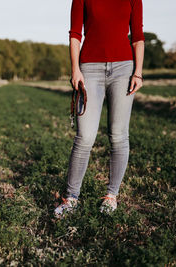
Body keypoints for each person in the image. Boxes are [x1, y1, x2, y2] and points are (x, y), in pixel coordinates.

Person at [54, 0, 145, 217]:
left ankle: (111, 195)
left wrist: (138, 72)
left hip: (124, 69)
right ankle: (71, 198)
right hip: (89, 69)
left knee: (118, 135)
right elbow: (75, 34)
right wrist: (75, 69)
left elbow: (138, 36)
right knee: (84, 137)